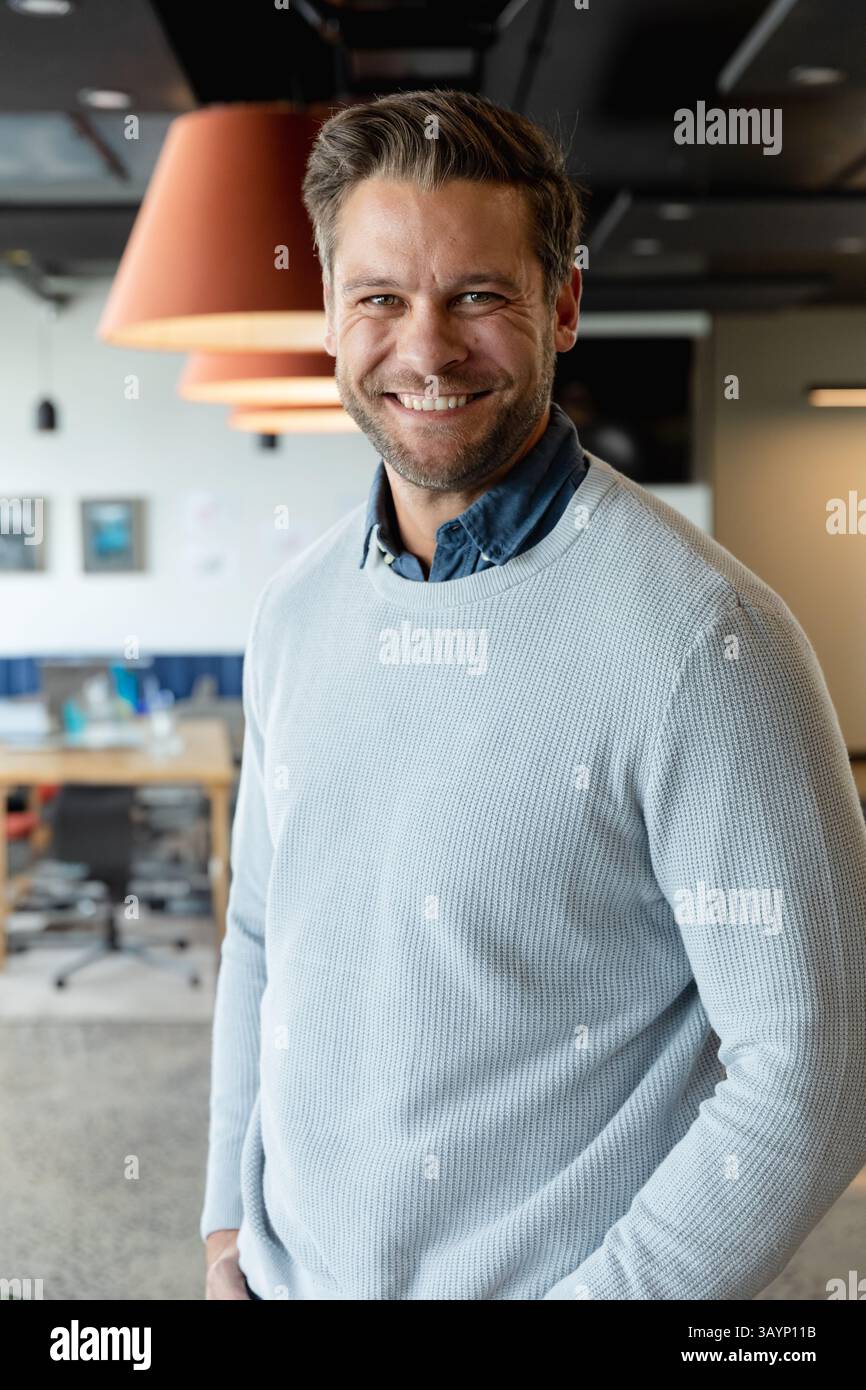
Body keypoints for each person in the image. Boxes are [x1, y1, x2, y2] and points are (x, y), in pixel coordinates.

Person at [203, 89, 866, 1300]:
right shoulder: (293, 612)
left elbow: (821, 1068)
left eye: (477, 296)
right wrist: (220, 1231)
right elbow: (260, 934)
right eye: (380, 298)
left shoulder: (704, 639)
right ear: (329, 314)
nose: (424, 348)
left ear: (562, 303)